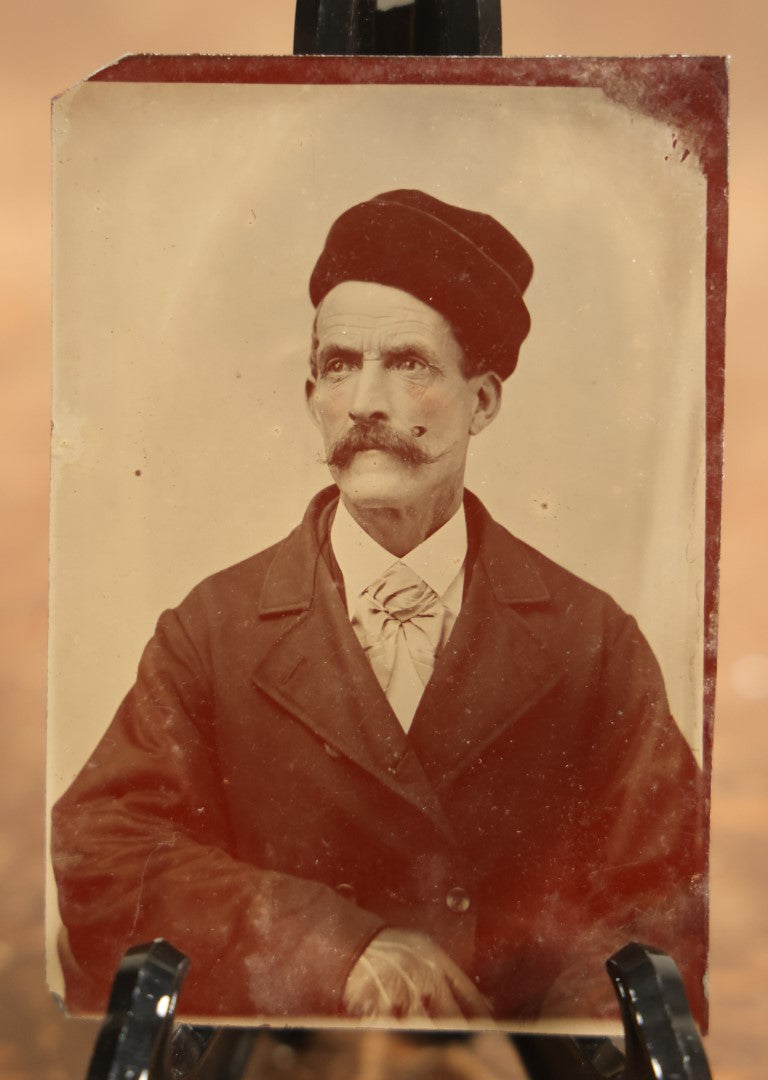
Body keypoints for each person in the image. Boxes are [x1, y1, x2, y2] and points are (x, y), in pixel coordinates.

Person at [52, 189, 707, 1026]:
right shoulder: (211, 629)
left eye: (408, 363)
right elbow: (99, 852)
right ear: (310, 397)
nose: (365, 401)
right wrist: (329, 946)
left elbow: (664, 899)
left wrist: (548, 1046)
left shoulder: (592, 638)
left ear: (484, 402)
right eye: (337, 366)